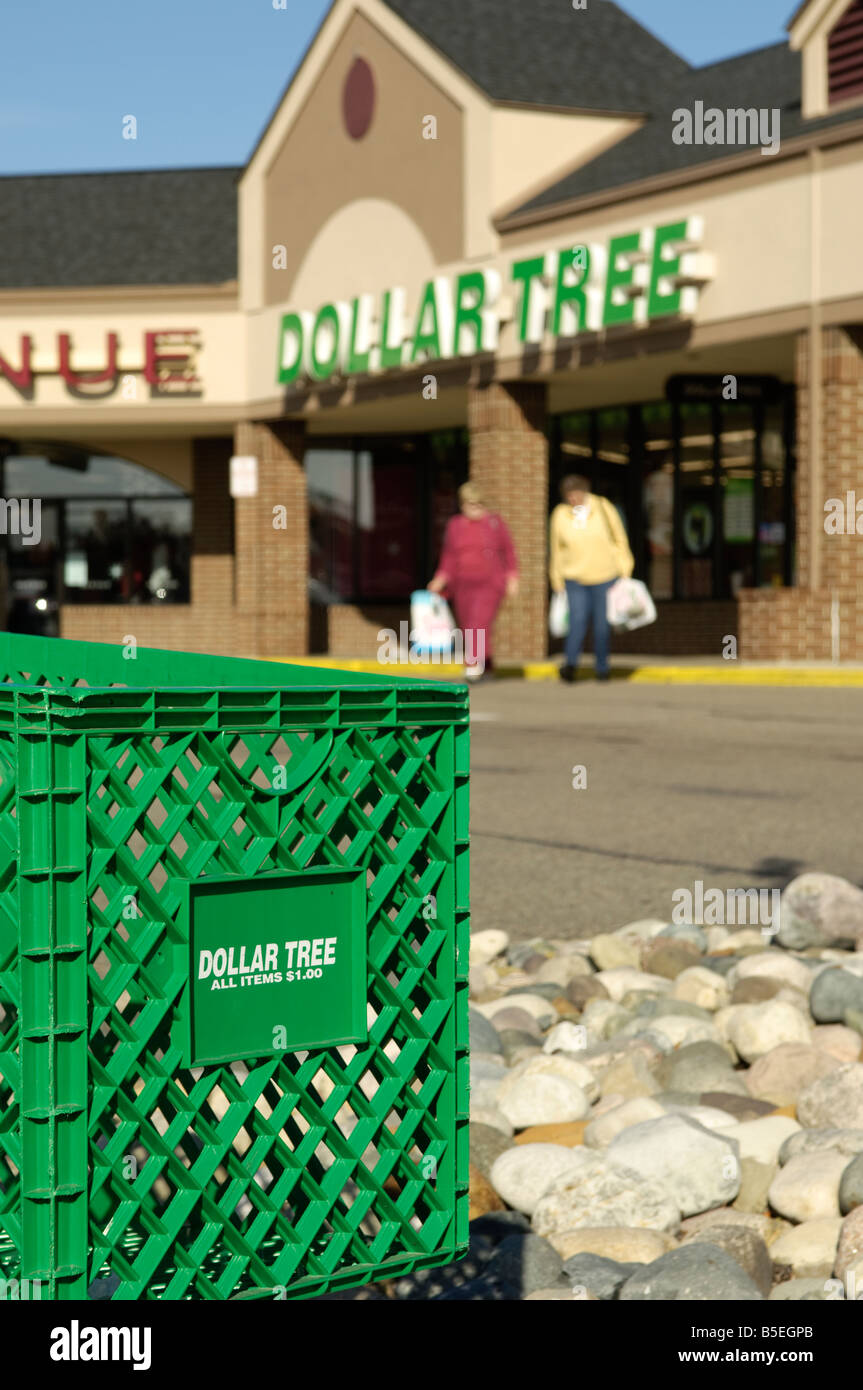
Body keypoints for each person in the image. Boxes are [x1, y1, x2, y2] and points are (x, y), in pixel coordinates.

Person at [428, 481, 519, 681]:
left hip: (490, 583)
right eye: (470, 505)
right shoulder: (455, 525)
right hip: (462, 584)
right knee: (469, 624)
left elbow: (509, 552)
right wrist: (440, 578)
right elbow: (449, 556)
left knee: (478, 623)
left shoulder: (495, 523)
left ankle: (472, 663)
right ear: (462, 505)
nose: (474, 509)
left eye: (479, 505)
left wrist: (512, 577)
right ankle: (487, 665)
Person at [549, 474, 634, 684]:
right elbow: (556, 549)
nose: (573, 499)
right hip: (574, 577)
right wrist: (556, 577)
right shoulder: (560, 514)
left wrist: (625, 568)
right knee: (577, 622)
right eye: (569, 495)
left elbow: (619, 537)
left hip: (605, 576)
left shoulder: (603, 507)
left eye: (576, 494)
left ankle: (602, 668)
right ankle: (570, 665)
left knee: (602, 625)